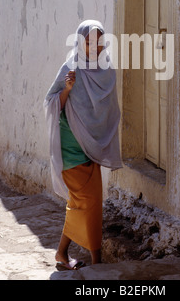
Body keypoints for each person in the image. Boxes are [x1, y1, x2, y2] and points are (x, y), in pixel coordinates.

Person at [43, 20, 122, 270]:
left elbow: (107, 109)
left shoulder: (106, 69)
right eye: (89, 42)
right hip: (70, 148)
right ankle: (94, 260)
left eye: (98, 41)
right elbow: (52, 103)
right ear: (80, 42)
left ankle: (62, 254)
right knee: (87, 201)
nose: (94, 47)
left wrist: (98, 137)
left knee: (87, 203)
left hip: (92, 145)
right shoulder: (71, 66)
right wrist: (67, 88)